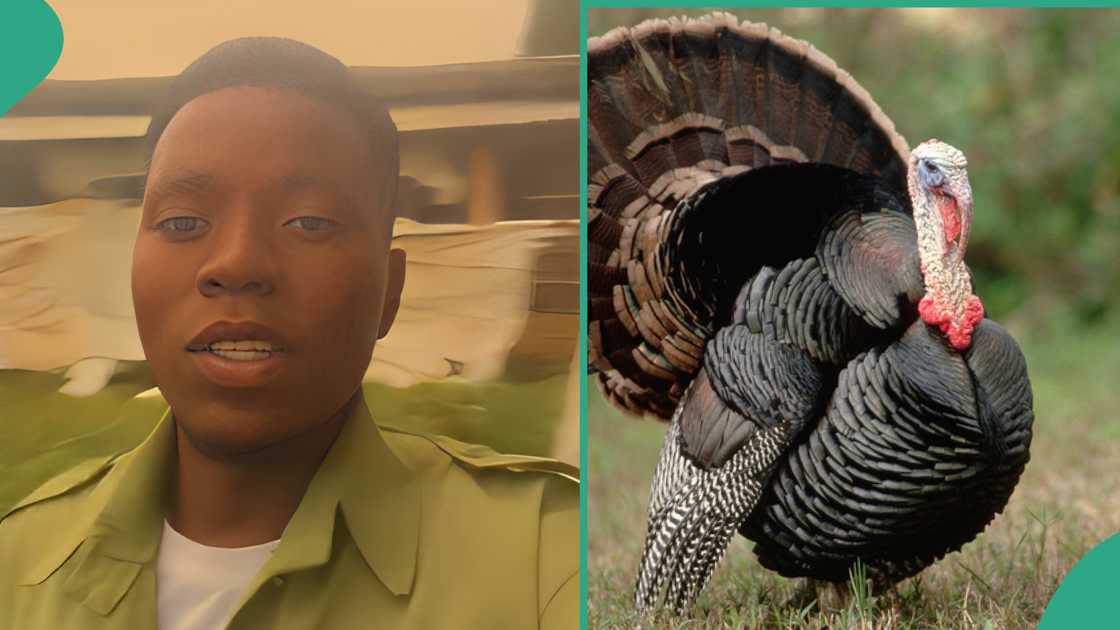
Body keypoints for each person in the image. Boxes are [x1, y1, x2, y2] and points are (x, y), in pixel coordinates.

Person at [0, 38, 578, 630]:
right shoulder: (19, 565)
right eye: (183, 222)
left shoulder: (547, 560)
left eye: (309, 222)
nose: (236, 264)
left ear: (389, 292)